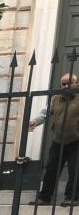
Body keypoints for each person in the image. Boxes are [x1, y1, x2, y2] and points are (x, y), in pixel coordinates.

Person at [29, 73, 79, 206]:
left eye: (69, 83)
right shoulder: (55, 99)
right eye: (63, 84)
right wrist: (35, 122)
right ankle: (44, 197)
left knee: (75, 170)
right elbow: (45, 113)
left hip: (76, 141)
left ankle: (72, 198)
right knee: (51, 169)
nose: (65, 86)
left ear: (77, 84)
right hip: (58, 141)